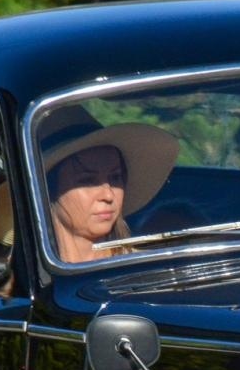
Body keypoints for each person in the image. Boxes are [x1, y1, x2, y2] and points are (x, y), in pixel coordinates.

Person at [36, 105, 177, 263]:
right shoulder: (25, 279)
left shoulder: (143, 269)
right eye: (87, 180)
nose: (108, 195)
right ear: (47, 188)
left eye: (115, 177)